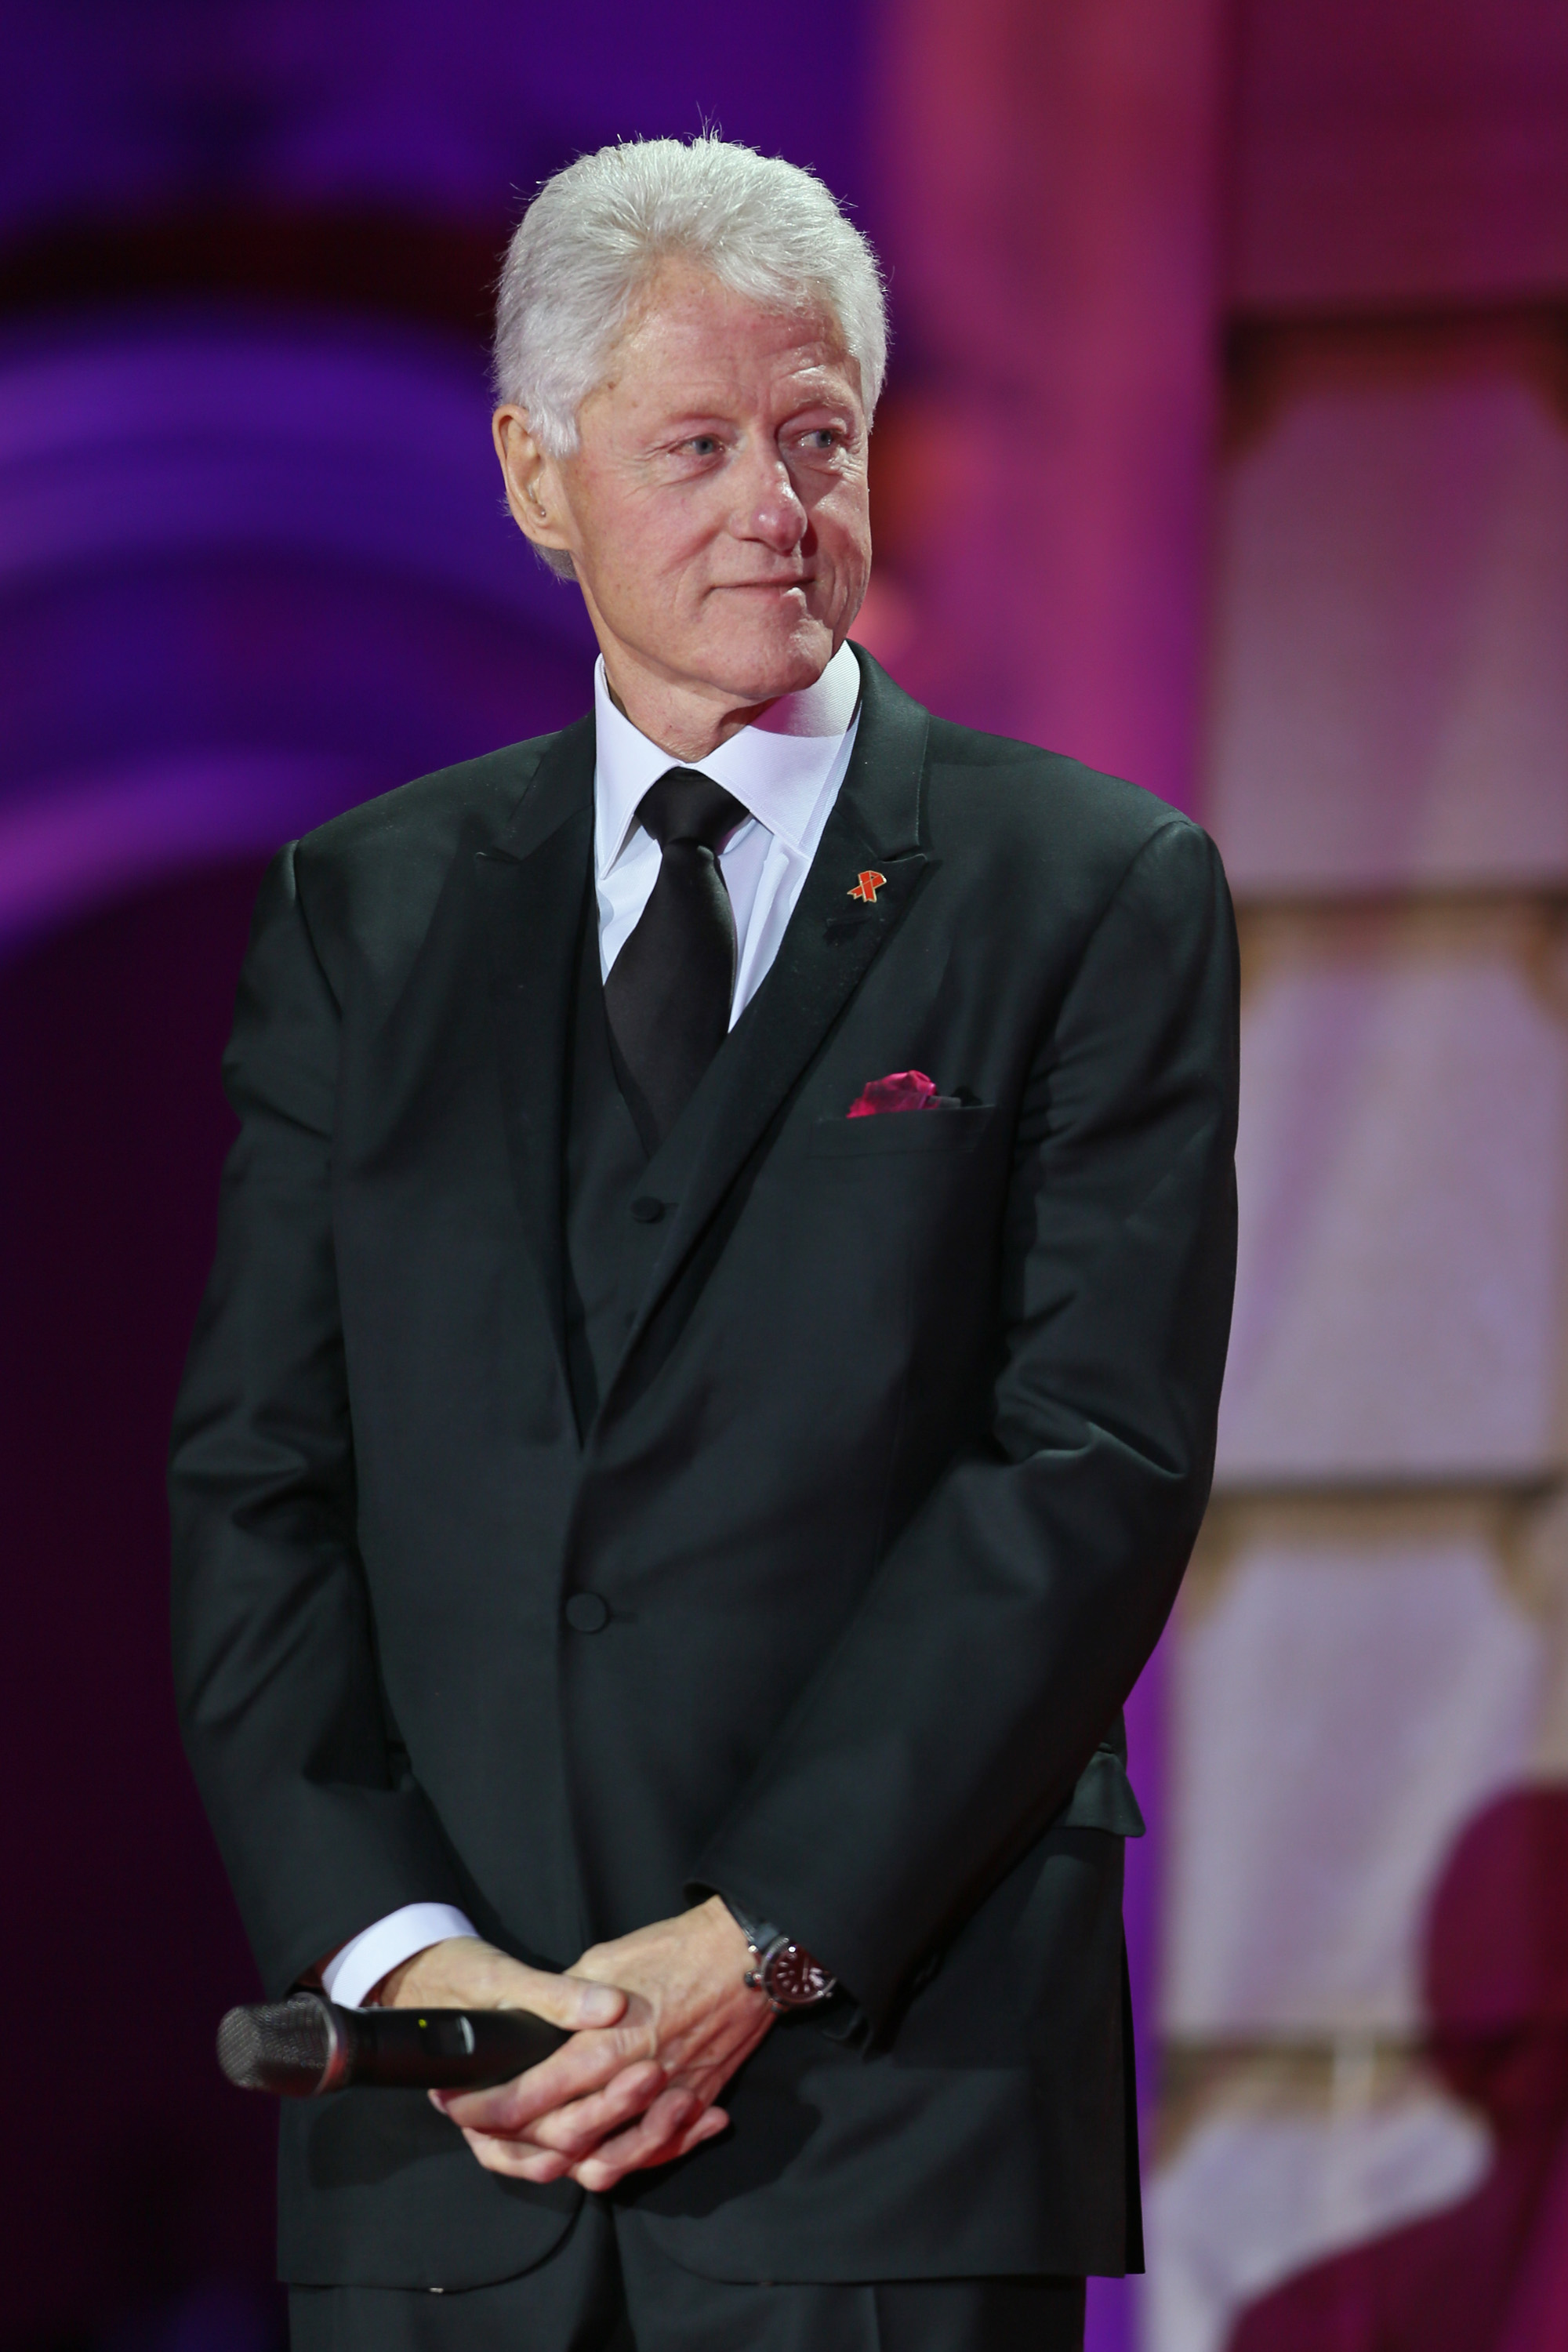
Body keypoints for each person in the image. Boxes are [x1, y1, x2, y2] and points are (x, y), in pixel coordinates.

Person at [170, 134, 1238, 2352]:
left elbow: (1085, 1474)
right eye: (699, 445)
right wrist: (399, 1957)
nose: (780, 503)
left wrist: (754, 1944)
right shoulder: (360, 915)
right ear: (535, 477)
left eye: (821, 438)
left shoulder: (1087, 892)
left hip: (881, 2120)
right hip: (445, 2156)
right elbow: (260, 1491)